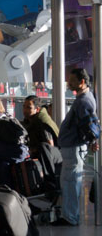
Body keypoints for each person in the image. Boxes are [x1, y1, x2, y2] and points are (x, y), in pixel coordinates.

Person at [53, 68, 99, 226]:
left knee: (70, 182)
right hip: (74, 147)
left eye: (72, 81)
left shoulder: (83, 102)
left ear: (82, 82)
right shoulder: (84, 99)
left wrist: (92, 140)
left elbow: (88, 126)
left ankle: (70, 217)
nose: (69, 83)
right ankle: (70, 215)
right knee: (70, 181)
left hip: (74, 147)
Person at [22, 95, 63, 195]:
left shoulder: (41, 121)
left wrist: (32, 150)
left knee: (43, 147)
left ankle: (51, 181)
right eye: (24, 106)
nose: (25, 110)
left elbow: (49, 145)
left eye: (29, 107)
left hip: (55, 154)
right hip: (43, 153)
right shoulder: (29, 121)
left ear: (37, 109)